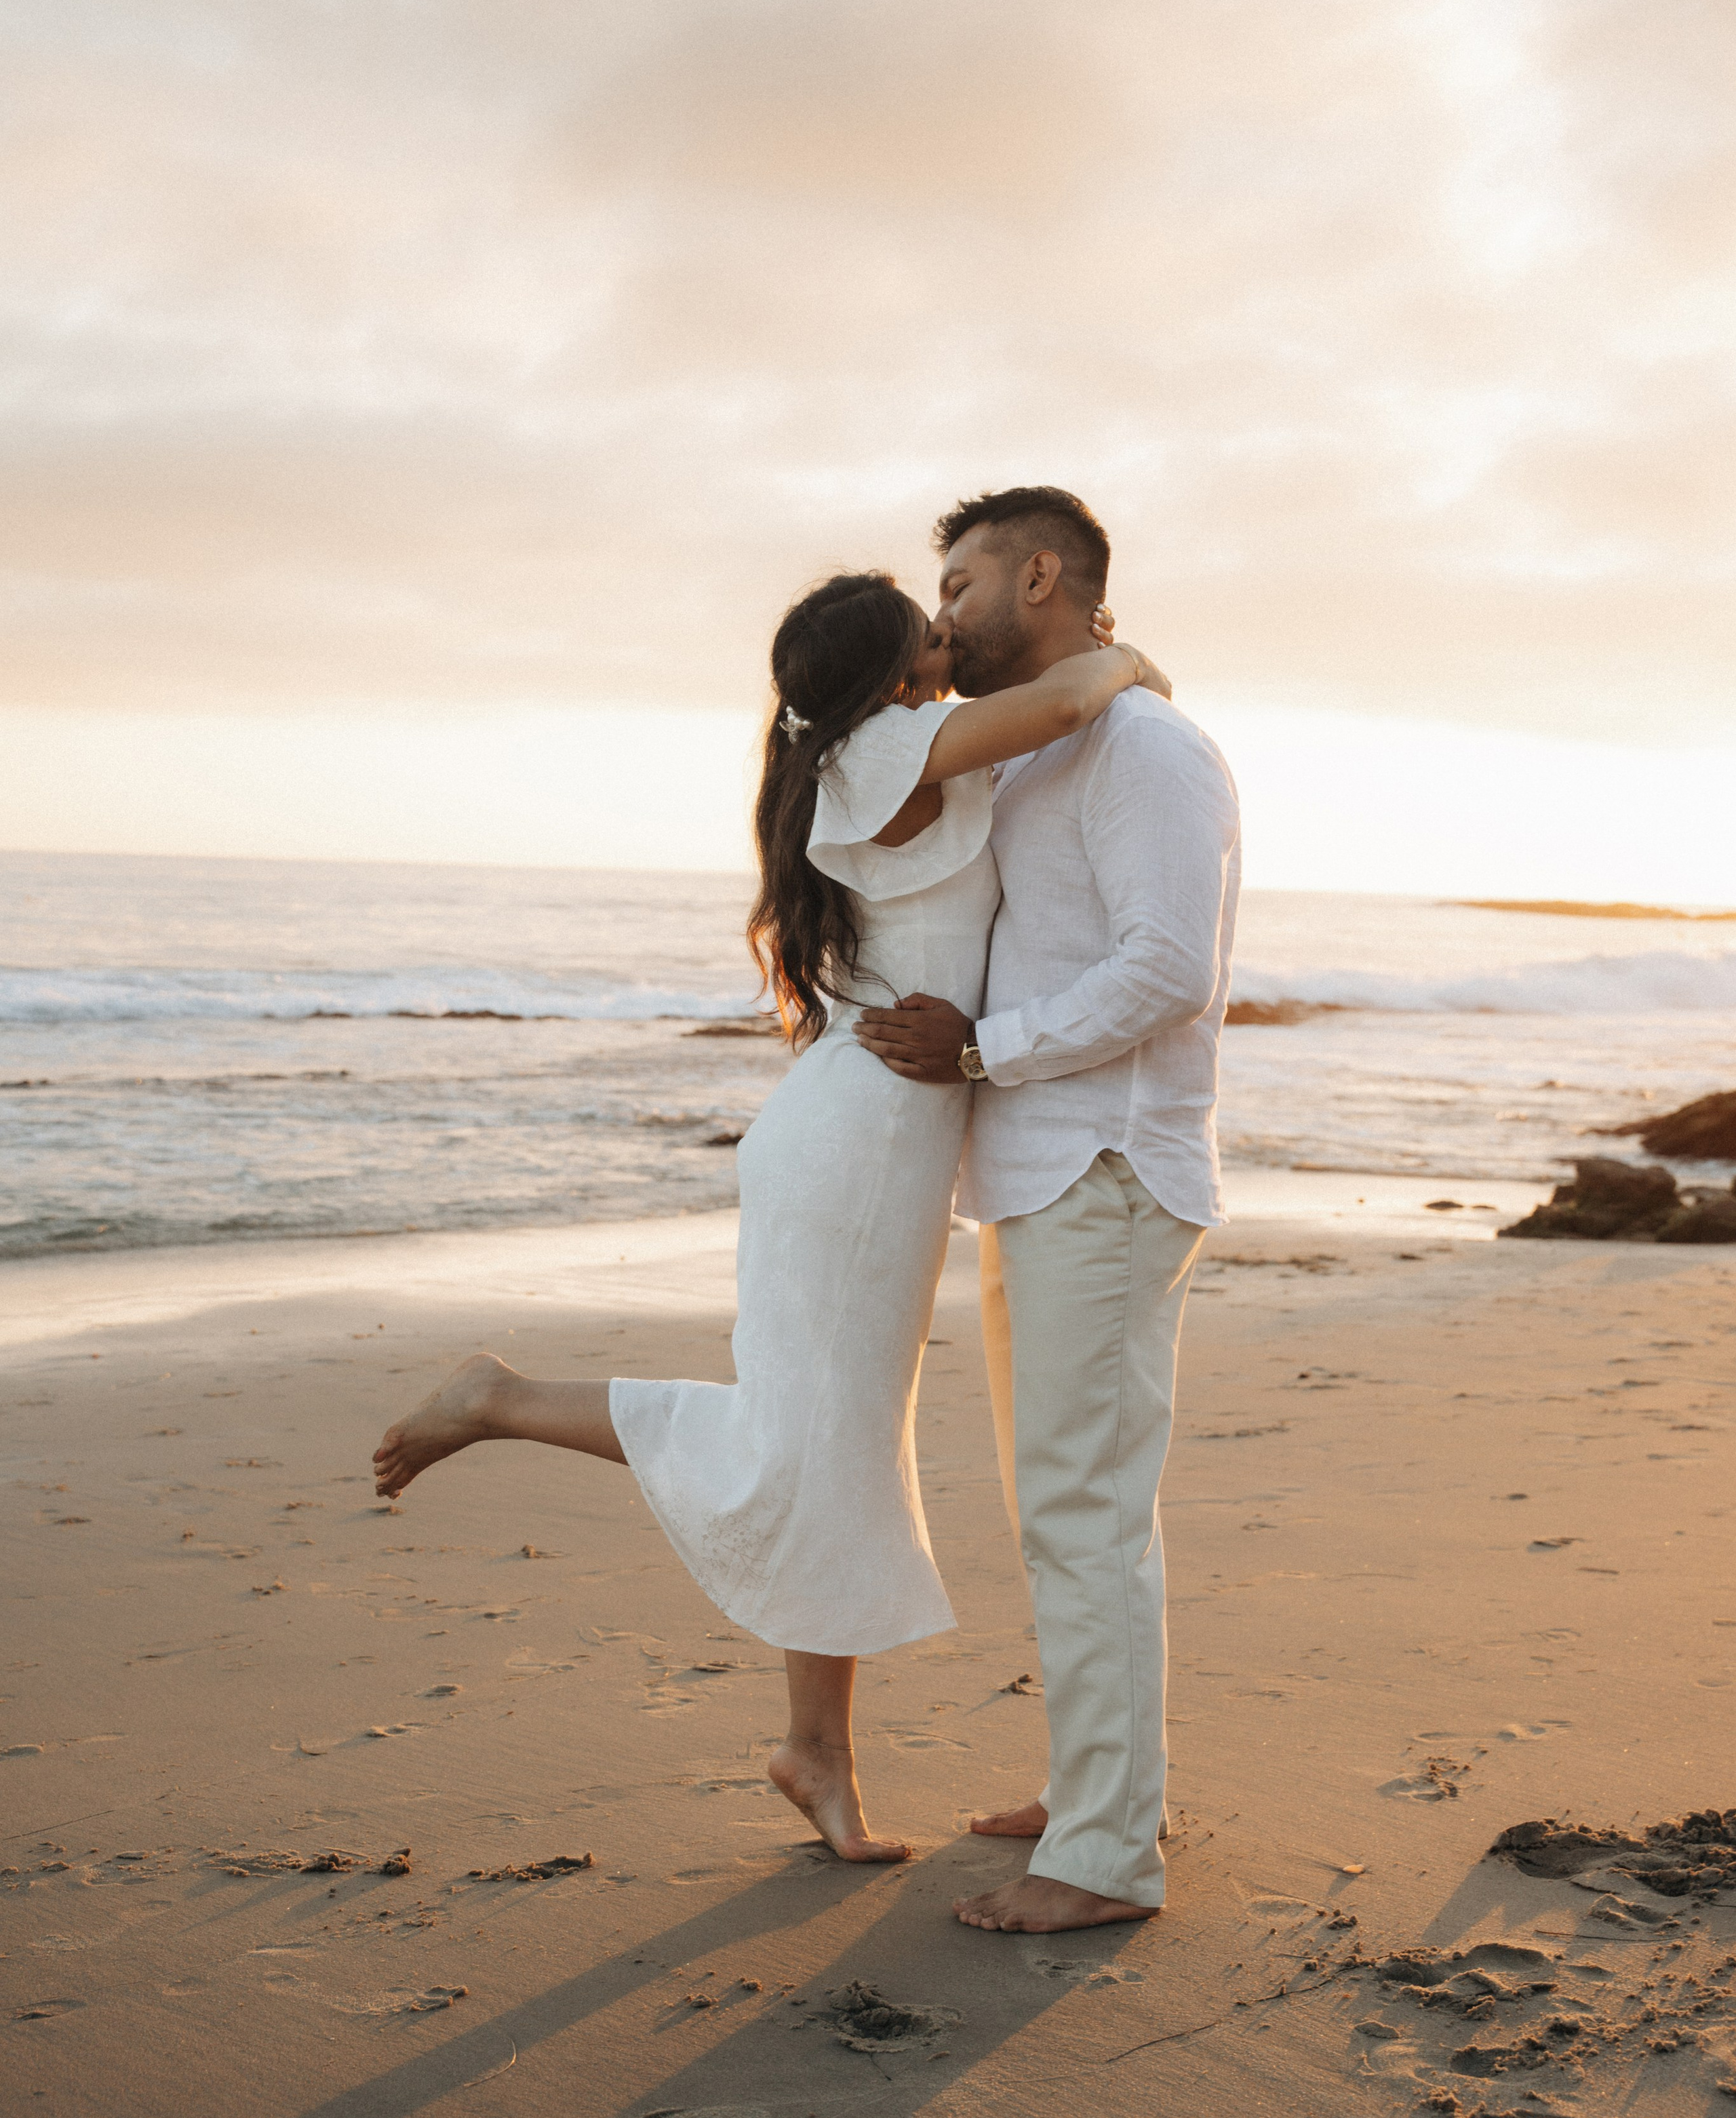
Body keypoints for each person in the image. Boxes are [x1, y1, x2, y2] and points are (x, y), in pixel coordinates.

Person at [372, 570, 1163, 1864]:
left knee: (833, 1445)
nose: (948, 634)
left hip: (876, 1139)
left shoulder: (877, 753)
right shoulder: (880, 751)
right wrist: (1133, 663)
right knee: (804, 1439)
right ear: (891, 672)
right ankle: (500, 1400)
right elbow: (1072, 700)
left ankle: (815, 1754)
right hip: (857, 1150)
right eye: (930, 626)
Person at [855, 486, 1241, 1933]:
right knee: (1064, 1515)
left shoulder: (1146, 749)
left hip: (1108, 1165)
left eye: (957, 585)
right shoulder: (1041, 748)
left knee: (1086, 1516)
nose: (940, 614)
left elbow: (1167, 969)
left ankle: (1105, 1856)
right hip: (1040, 1173)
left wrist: (982, 1053)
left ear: (1038, 578)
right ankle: (1100, 1789)